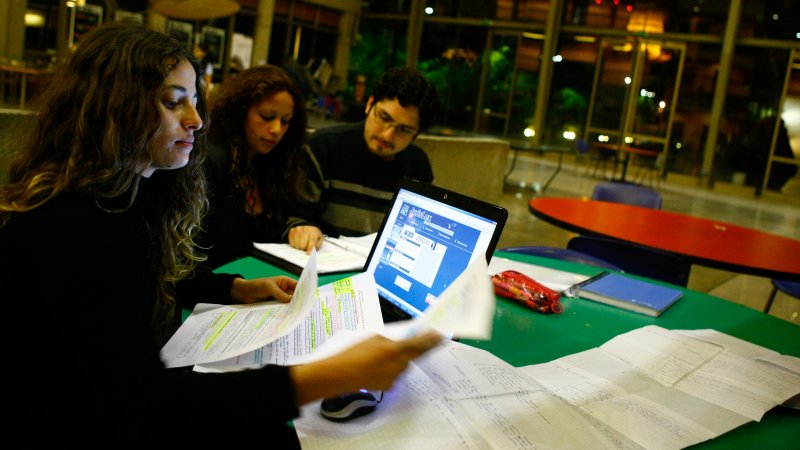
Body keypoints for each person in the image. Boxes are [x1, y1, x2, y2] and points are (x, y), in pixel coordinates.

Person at [0, 22, 442, 448]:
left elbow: (133, 282)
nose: (196, 120)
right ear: (113, 107)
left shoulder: (123, 196)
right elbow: (141, 403)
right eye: (173, 102)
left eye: (195, 101)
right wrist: (327, 376)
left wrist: (233, 288)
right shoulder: (67, 227)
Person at [287, 67, 440, 252]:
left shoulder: (418, 165)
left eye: (404, 130)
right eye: (384, 117)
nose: (387, 135)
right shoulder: (324, 147)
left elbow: (424, 233)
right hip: (321, 259)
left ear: (416, 135)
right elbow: (288, 216)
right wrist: (299, 228)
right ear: (369, 104)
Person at [202, 65, 321, 268]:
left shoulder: (270, 164)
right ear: (240, 111)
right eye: (267, 116)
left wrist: (298, 228)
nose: (276, 129)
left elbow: (270, 228)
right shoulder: (213, 161)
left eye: (285, 121)